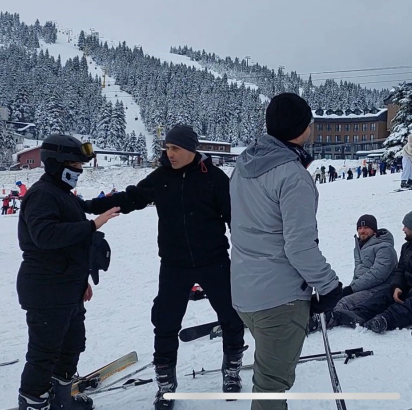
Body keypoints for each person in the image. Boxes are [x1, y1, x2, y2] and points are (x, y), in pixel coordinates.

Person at [86, 125, 246, 410]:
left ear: (191, 149)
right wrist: (88, 205)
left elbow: (235, 219)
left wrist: (248, 255)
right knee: (165, 324)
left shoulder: (215, 179)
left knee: (231, 316)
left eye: (175, 149)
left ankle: (232, 370)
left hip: (214, 260)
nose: (169, 154)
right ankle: (165, 386)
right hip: (174, 264)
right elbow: (130, 198)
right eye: (167, 148)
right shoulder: (161, 178)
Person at [230, 93, 342, 410]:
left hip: (245, 293)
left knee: (269, 381)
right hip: (280, 300)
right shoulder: (293, 176)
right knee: (270, 389)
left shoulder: (244, 166)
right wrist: (329, 286)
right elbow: (299, 246)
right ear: (301, 128)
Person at [16, 134, 119, 410]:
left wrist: (82, 280)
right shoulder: (42, 194)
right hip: (46, 287)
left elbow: (69, 246)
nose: (79, 171)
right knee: (44, 353)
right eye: (74, 165)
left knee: (71, 346)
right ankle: (33, 402)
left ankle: (61, 401)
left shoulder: (62, 194)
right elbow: (45, 235)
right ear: (55, 164)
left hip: (68, 286)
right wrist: (92, 225)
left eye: (80, 165)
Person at [310, 215, 397, 331]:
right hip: (362, 288)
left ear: (374, 230)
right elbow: (359, 274)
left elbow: (377, 275)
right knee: (332, 298)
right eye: (359, 228)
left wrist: (352, 288)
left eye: (366, 227)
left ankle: (319, 322)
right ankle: (309, 314)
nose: (362, 231)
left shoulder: (385, 248)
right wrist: (351, 288)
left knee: (344, 303)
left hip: (379, 290)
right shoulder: (360, 247)